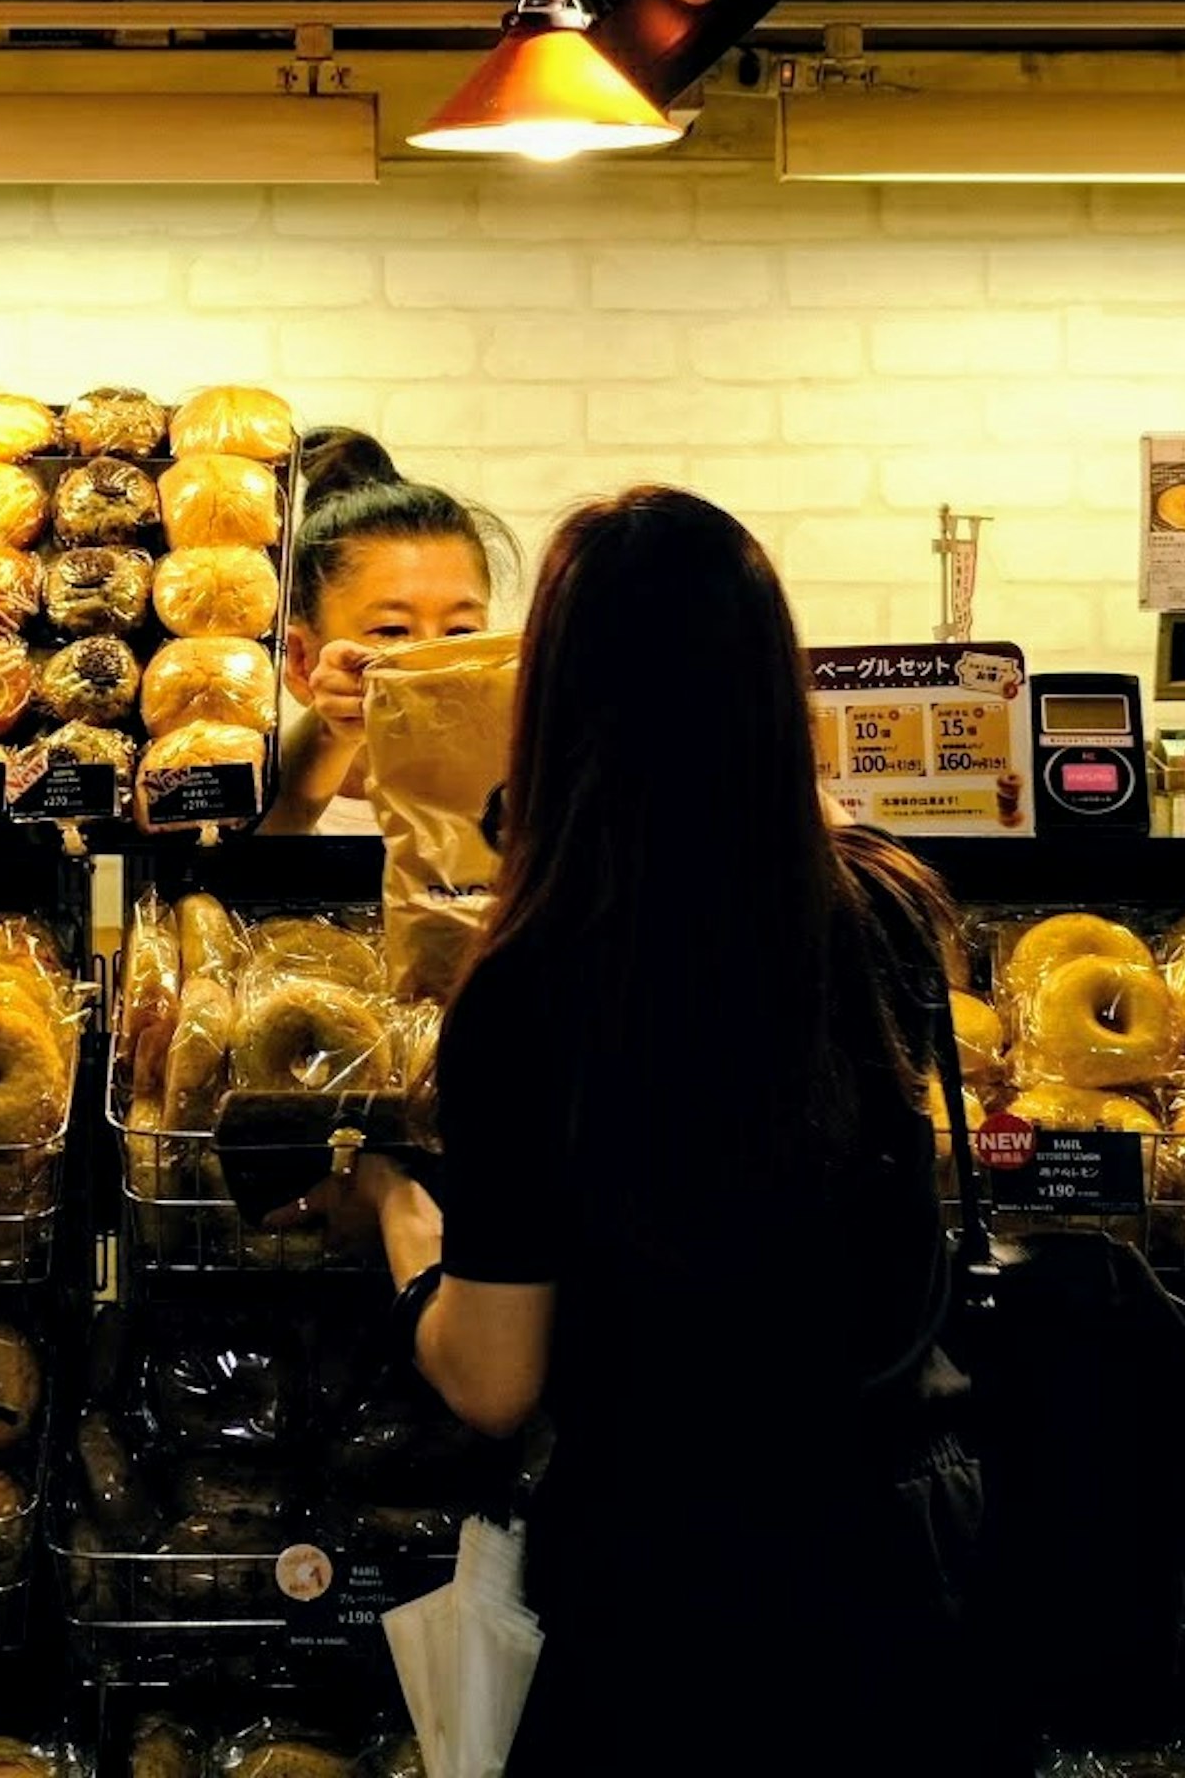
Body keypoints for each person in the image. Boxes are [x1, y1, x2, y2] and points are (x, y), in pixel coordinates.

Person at [335, 487, 1001, 1775]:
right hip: (891, 1570)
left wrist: (398, 1215)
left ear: (554, 699)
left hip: (665, 1590)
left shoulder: (535, 980)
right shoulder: (884, 909)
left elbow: (492, 1378)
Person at [266, 428, 508, 836]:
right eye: (392, 630)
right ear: (301, 660)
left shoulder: (515, 808)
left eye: (461, 631)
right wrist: (332, 732)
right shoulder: (255, 810)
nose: (432, 664)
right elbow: (264, 844)